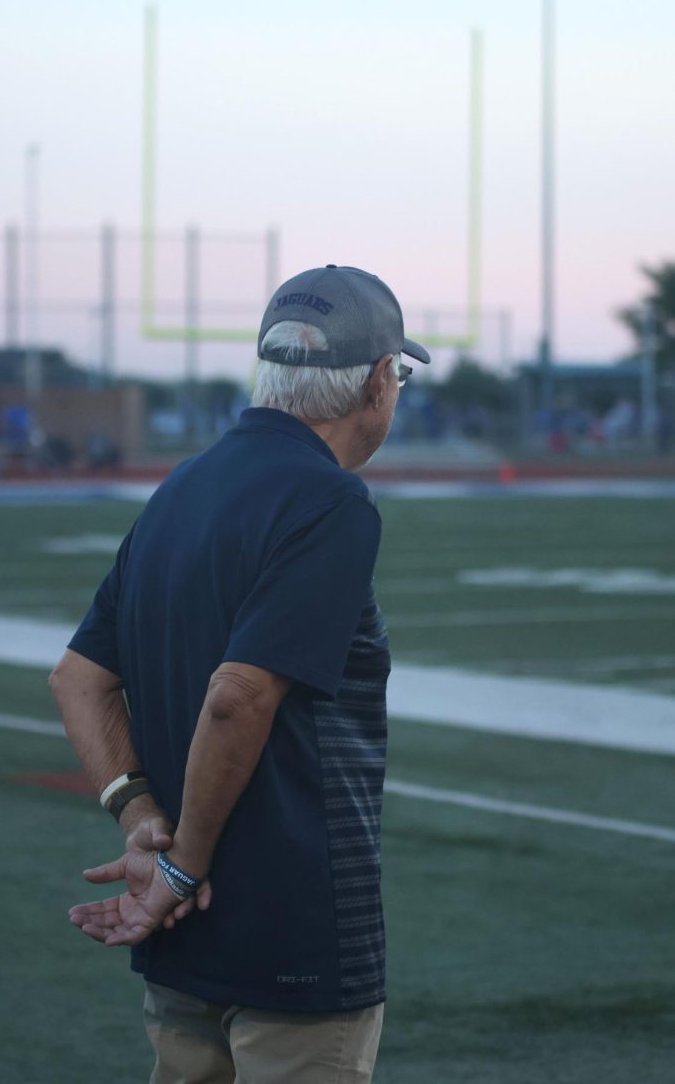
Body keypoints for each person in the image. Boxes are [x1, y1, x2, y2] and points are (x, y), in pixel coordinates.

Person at [50, 264, 430, 1084]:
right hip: (290, 927)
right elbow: (237, 696)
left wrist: (139, 816)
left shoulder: (180, 488)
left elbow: (77, 678)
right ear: (375, 383)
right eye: (398, 375)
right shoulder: (330, 501)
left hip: (183, 942)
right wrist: (183, 861)